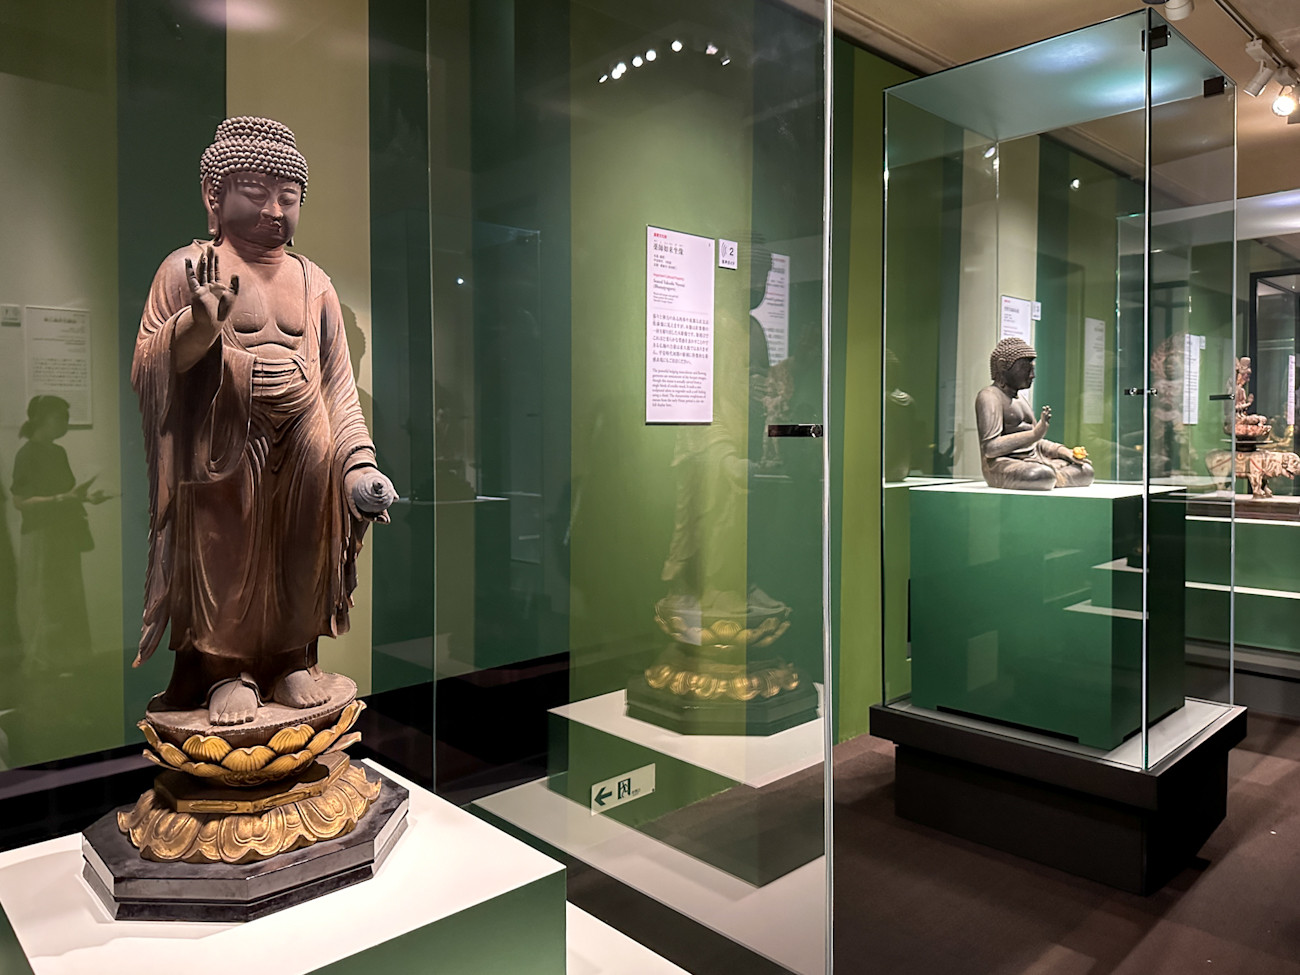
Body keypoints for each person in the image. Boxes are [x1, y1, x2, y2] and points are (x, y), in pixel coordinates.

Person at [133, 116, 395, 726]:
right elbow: (150, 363)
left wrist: (359, 466)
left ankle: (290, 660)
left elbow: (338, 385)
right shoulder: (188, 269)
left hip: (308, 444)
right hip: (224, 447)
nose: (275, 209)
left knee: (303, 551)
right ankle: (226, 670)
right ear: (214, 197)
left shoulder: (314, 281)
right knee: (227, 551)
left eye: (289, 196)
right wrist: (197, 327)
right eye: (256, 192)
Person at [10, 396, 106, 677]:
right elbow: (20, 501)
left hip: (65, 534)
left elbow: (69, 493)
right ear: (43, 419)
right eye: (60, 418)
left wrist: (89, 498)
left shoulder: (58, 453)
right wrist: (60, 499)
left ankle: (67, 661)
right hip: (41, 535)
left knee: (67, 597)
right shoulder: (27, 454)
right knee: (42, 597)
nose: (64, 424)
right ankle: (43, 663)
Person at [975, 337, 1093, 491]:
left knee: (1085, 471)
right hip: (1005, 463)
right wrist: (1034, 434)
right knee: (1039, 475)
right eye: (1026, 369)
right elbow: (991, 448)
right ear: (1002, 366)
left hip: (1036, 459)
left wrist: (1065, 452)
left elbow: (1036, 443)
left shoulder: (1020, 399)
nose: (1032, 375)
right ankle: (1051, 477)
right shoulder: (989, 396)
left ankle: (1052, 477)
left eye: (1033, 369)